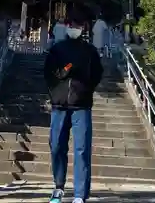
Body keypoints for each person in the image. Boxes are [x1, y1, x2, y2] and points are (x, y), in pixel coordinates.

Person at [44, 12, 103, 203]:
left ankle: (80, 194)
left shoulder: (90, 51)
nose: (75, 28)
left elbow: (97, 74)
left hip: (81, 105)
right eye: (72, 24)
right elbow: (49, 74)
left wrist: (86, 90)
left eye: (78, 25)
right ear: (66, 26)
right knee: (56, 146)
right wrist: (56, 92)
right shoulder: (57, 50)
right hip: (59, 105)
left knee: (82, 149)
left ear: (83, 28)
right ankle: (58, 186)